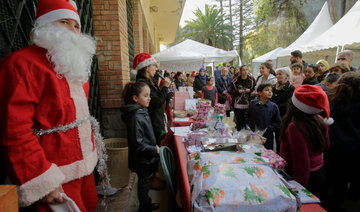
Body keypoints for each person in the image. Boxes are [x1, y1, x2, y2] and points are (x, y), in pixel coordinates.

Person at [0, 0, 100, 211]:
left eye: (76, 26)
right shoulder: (21, 64)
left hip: (85, 172)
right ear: (46, 26)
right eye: (65, 22)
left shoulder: (74, 67)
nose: (73, 31)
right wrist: (42, 182)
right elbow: (14, 132)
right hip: (53, 177)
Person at [279, 85, 330, 200]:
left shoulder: (295, 127)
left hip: (304, 177)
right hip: (318, 171)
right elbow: (326, 146)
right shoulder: (320, 120)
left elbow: (301, 162)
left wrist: (299, 189)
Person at [120, 82, 160, 212]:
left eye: (149, 95)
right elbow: (138, 144)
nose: (149, 98)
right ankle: (144, 207)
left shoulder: (140, 111)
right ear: (135, 98)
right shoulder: (135, 116)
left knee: (145, 182)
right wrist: (154, 149)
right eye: (146, 95)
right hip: (142, 158)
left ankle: (146, 203)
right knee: (143, 183)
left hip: (145, 157)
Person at [325, 72, 360, 211]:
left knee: (330, 178)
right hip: (354, 149)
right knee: (343, 182)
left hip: (332, 147)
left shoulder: (333, 100)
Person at [135, 53, 171, 146]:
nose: (156, 68)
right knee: (154, 150)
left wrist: (163, 86)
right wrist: (165, 87)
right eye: (154, 66)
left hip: (155, 121)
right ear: (147, 67)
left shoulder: (149, 80)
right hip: (151, 123)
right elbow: (157, 102)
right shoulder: (143, 83)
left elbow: (157, 96)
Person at [248, 84, 281, 150]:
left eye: (271, 91)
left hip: (267, 137)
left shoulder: (274, 106)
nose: (270, 92)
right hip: (254, 134)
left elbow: (278, 122)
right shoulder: (253, 103)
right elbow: (248, 115)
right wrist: (251, 125)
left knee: (266, 153)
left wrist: (268, 128)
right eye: (267, 90)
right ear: (259, 93)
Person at [271, 67, 295, 153]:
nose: (277, 76)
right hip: (274, 118)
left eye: (280, 74)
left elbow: (288, 105)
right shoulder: (273, 87)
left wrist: (273, 106)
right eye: (277, 74)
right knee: (276, 140)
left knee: (282, 141)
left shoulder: (291, 88)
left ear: (287, 76)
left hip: (284, 118)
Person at [231, 65, 256, 130]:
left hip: (249, 103)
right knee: (239, 121)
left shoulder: (252, 80)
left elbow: (255, 90)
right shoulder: (235, 80)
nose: (245, 71)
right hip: (238, 103)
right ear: (240, 71)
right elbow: (231, 91)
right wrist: (237, 91)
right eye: (243, 70)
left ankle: (248, 136)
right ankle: (240, 135)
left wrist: (250, 90)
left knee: (248, 120)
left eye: (246, 70)